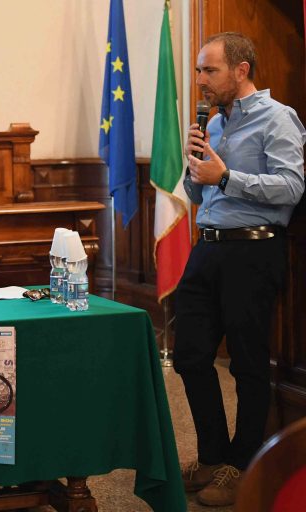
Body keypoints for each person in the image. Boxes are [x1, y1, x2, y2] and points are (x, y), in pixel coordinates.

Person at [175, 32, 305, 507]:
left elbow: (291, 186)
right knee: (189, 355)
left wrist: (226, 176)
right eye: (198, 70)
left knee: (249, 363)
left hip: (253, 251)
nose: (200, 80)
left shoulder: (278, 118)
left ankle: (243, 463)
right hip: (207, 248)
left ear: (241, 70)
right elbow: (198, 193)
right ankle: (212, 455)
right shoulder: (212, 123)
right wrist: (194, 165)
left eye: (209, 70)